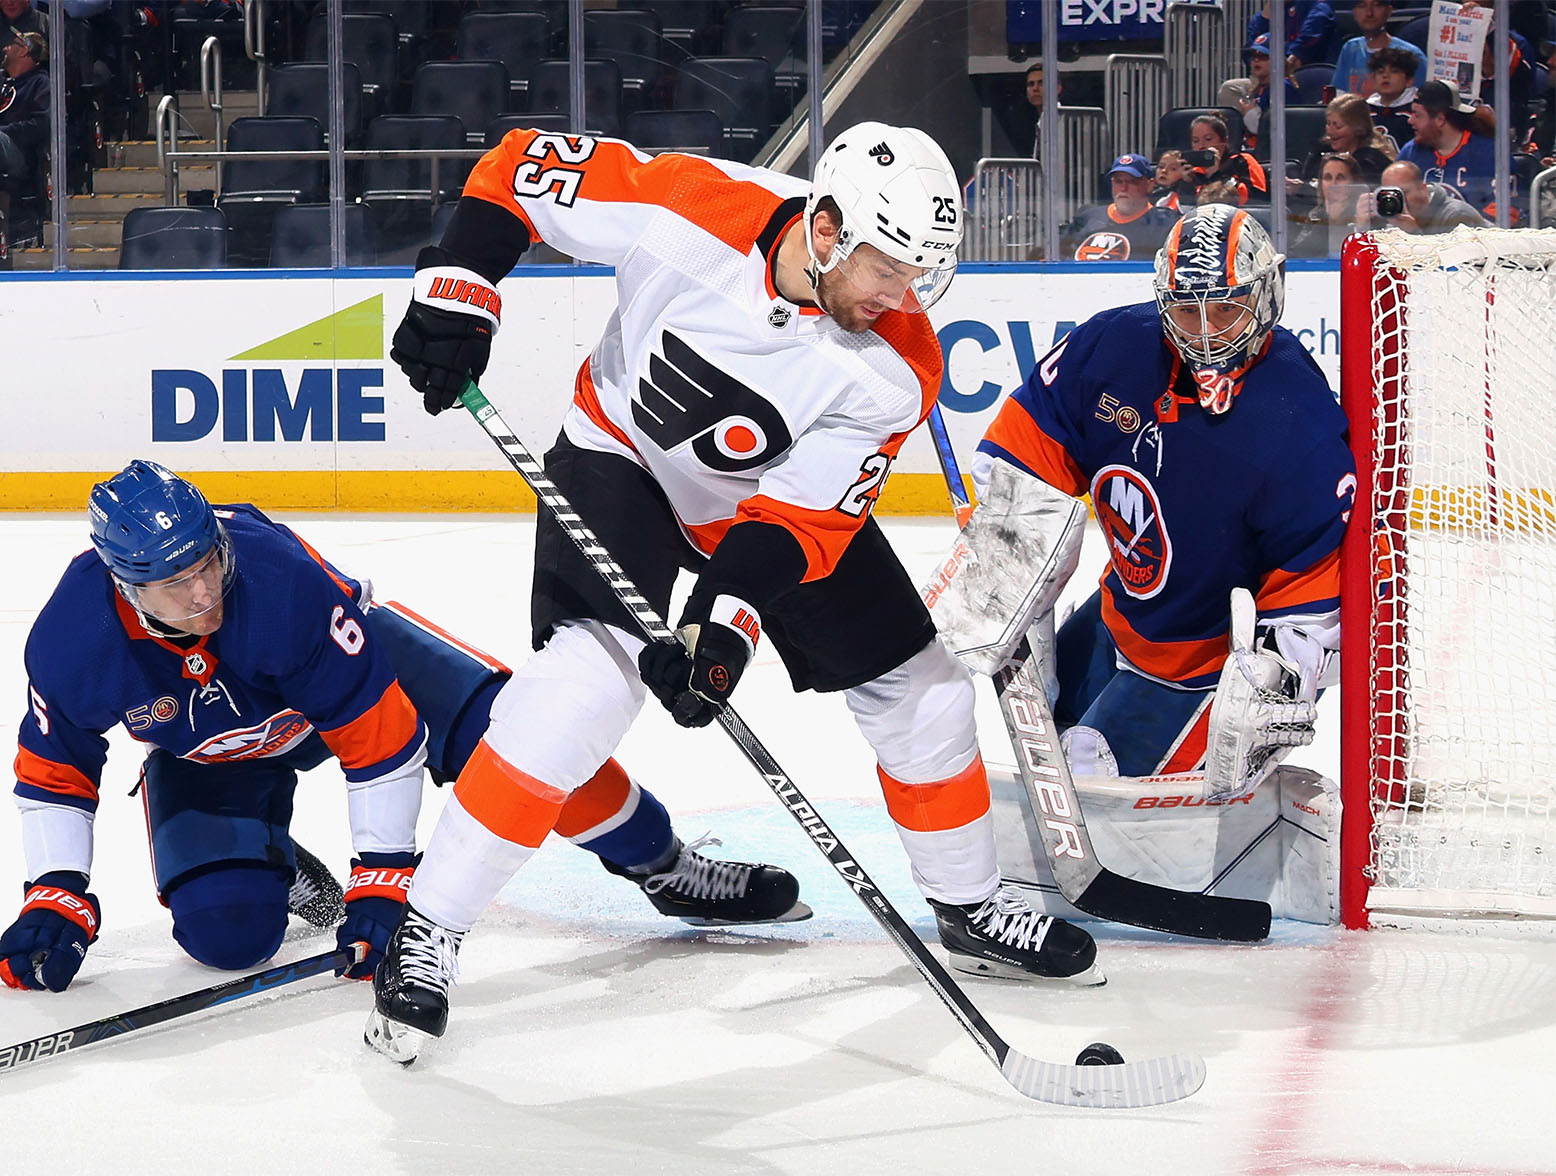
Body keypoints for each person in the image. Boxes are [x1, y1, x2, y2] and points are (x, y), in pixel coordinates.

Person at [373, 120, 1103, 1060]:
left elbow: (796, 525)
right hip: (619, 462)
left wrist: (724, 631)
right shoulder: (689, 204)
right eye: (889, 269)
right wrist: (458, 290)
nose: (904, 296)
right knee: (576, 697)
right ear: (828, 227)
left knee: (921, 693)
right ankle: (428, 928)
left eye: (922, 274)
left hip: (751, 511)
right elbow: (517, 166)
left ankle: (969, 905)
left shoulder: (899, 363)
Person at [0, 461, 805, 994]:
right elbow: (54, 771)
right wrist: (56, 892)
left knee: (529, 748)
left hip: (368, 677)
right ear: (122, 583)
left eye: (209, 562)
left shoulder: (277, 584)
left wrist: (385, 874)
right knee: (226, 937)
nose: (204, 591)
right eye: (175, 583)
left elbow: (379, 737)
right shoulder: (74, 642)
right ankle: (273, 869)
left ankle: (665, 866)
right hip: (214, 753)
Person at [944, 204, 1353, 793]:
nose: (1206, 331)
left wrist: (1272, 684)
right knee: (1057, 760)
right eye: (1187, 308)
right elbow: (1030, 444)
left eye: (1225, 308)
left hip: (1201, 664)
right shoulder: (1113, 347)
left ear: (1268, 295)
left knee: (1089, 784)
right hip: (1119, 615)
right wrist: (1012, 563)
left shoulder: (1298, 423)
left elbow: (1309, 586)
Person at [1396, 79, 1497, 212]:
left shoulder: (1488, 152)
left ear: (1440, 119)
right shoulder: (1410, 152)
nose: (1410, 120)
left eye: (1417, 115)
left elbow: (1506, 208)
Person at [1064, 153, 1180, 261]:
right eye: (1118, 181)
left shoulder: (1165, 224)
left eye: (1132, 182)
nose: (1123, 188)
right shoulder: (1088, 217)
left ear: (1149, 185)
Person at [1290, 93, 1396, 210]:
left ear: (1358, 127)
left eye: (1337, 126)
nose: (1330, 131)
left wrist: (1302, 189)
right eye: (1328, 123)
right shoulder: (1318, 154)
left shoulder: (1372, 161)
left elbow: (1355, 197)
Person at [0, 29, 48, 242]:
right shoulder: (1, 81)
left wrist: (4, 132)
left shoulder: (40, 83)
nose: (5, 48)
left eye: (13, 44)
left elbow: (41, 125)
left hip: (20, 154)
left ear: (24, 51)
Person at [1354, 158, 1490, 233]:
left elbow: (1453, 273)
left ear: (1423, 189)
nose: (1397, 200)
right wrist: (1362, 227)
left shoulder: (1456, 216)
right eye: (1391, 193)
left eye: (1404, 192)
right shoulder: (1391, 215)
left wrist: (1413, 232)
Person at [1223, 34, 1302, 156]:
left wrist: (1249, 113)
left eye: (1263, 56)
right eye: (1253, 56)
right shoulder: (1260, 88)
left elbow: (1269, 130)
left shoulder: (1283, 88)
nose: (1256, 60)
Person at [1330, 0, 1427, 97]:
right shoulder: (1350, 48)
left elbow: (1423, 101)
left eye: (1377, 5)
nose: (1369, 13)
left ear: (1389, 11)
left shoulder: (1410, 54)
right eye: (1362, 6)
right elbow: (1338, 94)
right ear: (1354, 13)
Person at [1288, 151, 1367, 257]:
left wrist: (1338, 222)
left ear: (1354, 182)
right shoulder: (1315, 214)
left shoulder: (1365, 213)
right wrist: (1328, 220)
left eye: (1340, 178)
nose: (1333, 184)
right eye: (1328, 178)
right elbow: (1298, 254)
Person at [1188, 113, 1268, 205]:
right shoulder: (1192, 171)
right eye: (1195, 141)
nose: (1201, 146)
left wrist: (1216, 175)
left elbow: (1257, 198)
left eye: (1208, 139)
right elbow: (1182, 208)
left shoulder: (1242, 161)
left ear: (1224, 141)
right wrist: (1185, 183)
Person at [1246, 1, 1339, 71]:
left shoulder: (1316, 6)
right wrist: (1264, 20)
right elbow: (1252, 47)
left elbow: (1310, 34)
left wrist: (1293, 55)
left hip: (1311, 71)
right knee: (1233, 87)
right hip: (1270, 75)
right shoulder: (1264, 15)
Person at [1364, 46, 1420, 149]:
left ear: (1409, 80)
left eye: (1394, 71)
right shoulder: (1364, 110)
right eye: (1380, 72)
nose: (1385, 76)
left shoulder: (1418, 110)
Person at [1024, 59, 1062, 160]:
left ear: (1057, 88)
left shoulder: (1064, 120)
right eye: (1031, 84)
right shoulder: (1035, 122)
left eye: (1041, 83)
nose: (1035, 88)